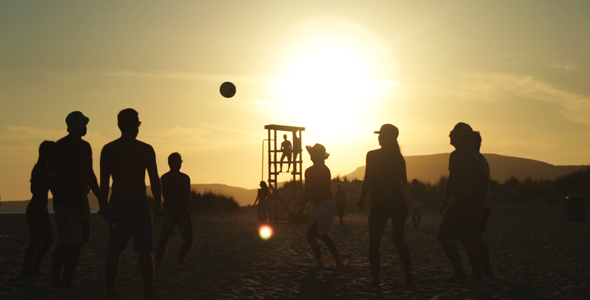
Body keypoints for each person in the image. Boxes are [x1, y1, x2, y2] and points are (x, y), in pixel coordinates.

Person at [101, 109, 162, 299]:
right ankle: (149, 290)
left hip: (118, 200)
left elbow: (104, 182)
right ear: (135, 125)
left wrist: (104, 205)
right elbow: (154, 179)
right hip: (137, 201)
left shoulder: (109, 149)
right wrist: (159, 204)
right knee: (144, 250)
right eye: (138, 123)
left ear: (119, 125)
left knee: (115, 248)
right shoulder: (145, 149)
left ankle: (110, 290)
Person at [46, 111, 100, 287]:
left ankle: (55, 279)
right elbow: (88, 173)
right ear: (78, 126)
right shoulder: (83, 146)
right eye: (84, 124)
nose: (86, 128)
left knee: (63, 240)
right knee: (76, 242)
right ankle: (66, 279)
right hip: (76, 198)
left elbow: (49, 174)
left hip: (60, 200)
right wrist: (100, 197)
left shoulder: (57, 146)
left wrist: (57, 191)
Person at [357, 124, 413, 287]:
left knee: (374, 243)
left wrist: (361, 199)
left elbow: (367, 179)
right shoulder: (399, 157)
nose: (378, 137)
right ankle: (409, 277)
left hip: (380, 202)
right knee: (399, 241)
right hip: (398, 201)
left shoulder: (373, 155)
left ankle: (376, 281)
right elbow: (403, 183)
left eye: (380, 135)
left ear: (385, 137)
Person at [438, 122, 486, 281]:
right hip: (473, 202)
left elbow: (452, 180)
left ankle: (460, 270)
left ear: (461, 137)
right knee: (468, 239)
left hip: (463, 202)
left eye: (453, 133)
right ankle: (477, 273)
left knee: (444, 236)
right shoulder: (472, 156)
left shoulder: (457, 155)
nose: (449, 135)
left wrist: (444, 199)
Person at [300, 144, 343, 268]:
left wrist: (306, 199)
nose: (311, 156)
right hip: (316, 204)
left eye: (313, 154)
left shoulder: (325, 170)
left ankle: (337, 260)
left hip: (326, 204)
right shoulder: (308, 171)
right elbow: (307, 189)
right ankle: (319, 261)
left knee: (322, 234)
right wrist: (302, 206)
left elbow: (323, 189)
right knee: (310, 235)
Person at [22, 141, 55, 277]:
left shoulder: (47, 168)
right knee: (36, 240)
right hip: (36, 208)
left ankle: (33, 267)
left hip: (41, 208)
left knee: (47, 239)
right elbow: (33, 189)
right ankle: (27, 269)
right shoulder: (39, 168)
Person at [155, 153, 193, 267]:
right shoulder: (165, 178)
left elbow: (187, 196)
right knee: (164, 238)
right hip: (170, 210)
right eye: (174, 161)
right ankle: (158, 262)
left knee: (189, 239)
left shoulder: (185, 178)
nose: (176, 164)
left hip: (181, 211)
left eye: (178, 161)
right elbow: (166, 195)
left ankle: (179, 260)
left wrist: (185, 209)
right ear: (169, 163)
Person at [472, 131, 494, 277]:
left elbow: (481, 183)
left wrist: (479, 207)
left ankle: (485, 269)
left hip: (480, 205)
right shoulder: (480, 159)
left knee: (476, 238)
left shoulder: (477, 160)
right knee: (475, 238)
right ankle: (482, 269)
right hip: (481, 204)